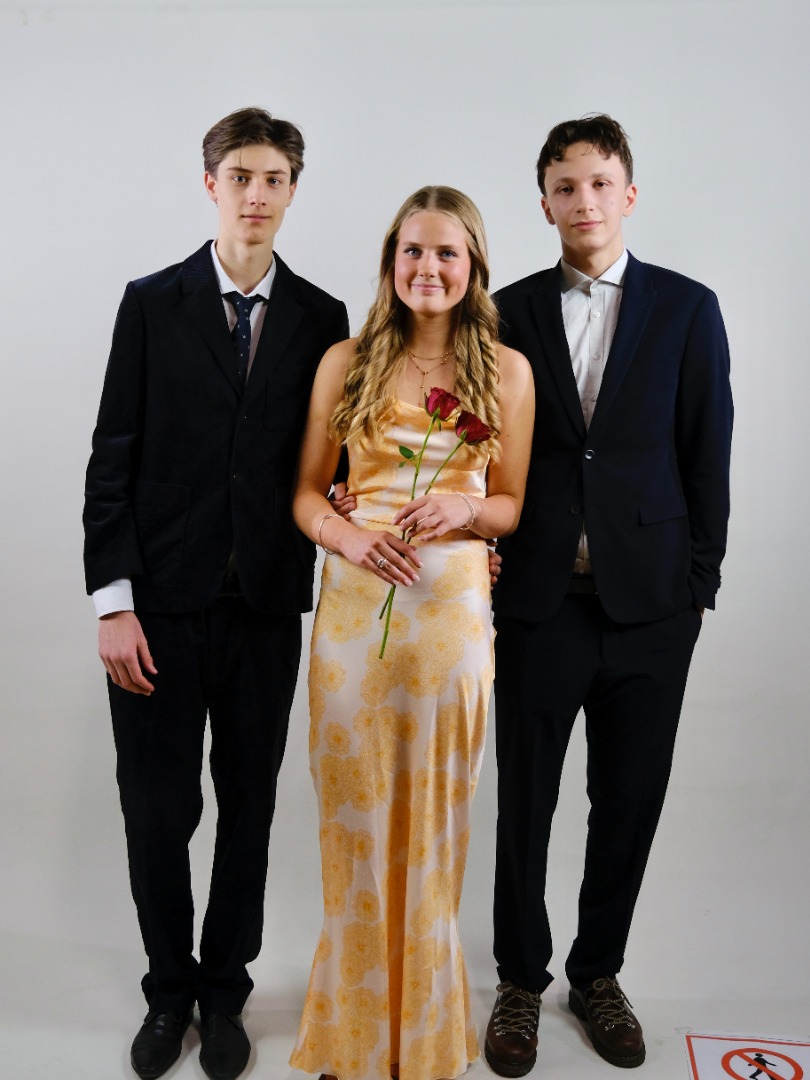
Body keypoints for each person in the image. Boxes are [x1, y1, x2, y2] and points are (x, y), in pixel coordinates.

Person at [82, 107, 349, 1080]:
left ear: (292, 190)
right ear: (211, 185)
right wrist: (114, 603)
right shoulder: (151, 304)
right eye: (241, 176)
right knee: (157, 810)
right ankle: (168, 992)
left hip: (265, 610)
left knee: (248, 808)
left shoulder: (323, 319)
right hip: (157, 608)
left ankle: (224, 993)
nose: (256, 194)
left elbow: (333, 463)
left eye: (274, 178)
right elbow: (112, 459)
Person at [484, 115, 733, 1074]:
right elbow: (474, 449)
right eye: (564, 187)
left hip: (651, 607)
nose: (582, 201)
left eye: (599, 183)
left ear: (628, 194)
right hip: (539, 600)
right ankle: (518, 978)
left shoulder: (687, 308)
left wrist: (696, 587)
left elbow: (706, 451)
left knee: (627, 801)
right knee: (526, 803)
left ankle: (597, 974)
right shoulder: (504, 312)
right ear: (544, 203)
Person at [289, 186, 534, 1080]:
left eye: (447, 254)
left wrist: (466, 508)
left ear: (473, 268)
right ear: (392, 263)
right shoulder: (345, 361)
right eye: (413, 252)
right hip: (354, 619)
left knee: (435, 825)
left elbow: (510, 504)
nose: (429, 268)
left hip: (452, 623)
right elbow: (307, 491)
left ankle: (423, 1041)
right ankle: (354, 1039)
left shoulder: (507, 371)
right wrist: (346, 535)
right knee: (354, 820)